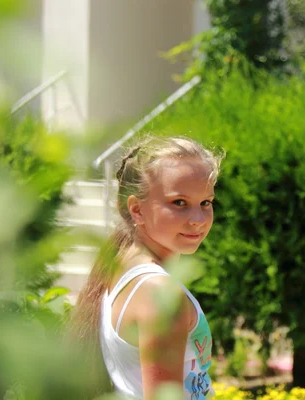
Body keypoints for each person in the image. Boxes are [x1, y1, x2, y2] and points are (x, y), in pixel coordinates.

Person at [71, 135, 224, 400]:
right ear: (137, 210)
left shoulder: (122, 265)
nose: (198, 220)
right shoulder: (160, 294)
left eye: (205, 203)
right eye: (179, 203)